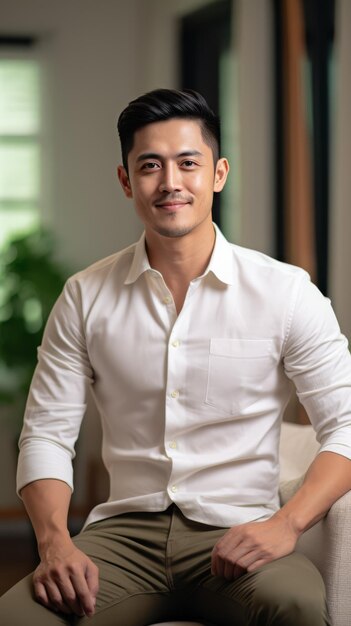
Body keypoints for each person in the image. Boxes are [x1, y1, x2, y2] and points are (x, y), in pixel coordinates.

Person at [1, 88, 351, 626]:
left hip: (242, 532)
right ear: (126, 181)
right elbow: (47, 434)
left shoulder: (287, 293)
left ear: (218, 173)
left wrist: (288, 524)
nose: (170, 183)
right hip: (123, 537)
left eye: (188, 163)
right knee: (20, 617)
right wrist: (55, 543)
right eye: (149, 166)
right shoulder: (84, 295)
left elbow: (347, 425)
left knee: (299, 608)